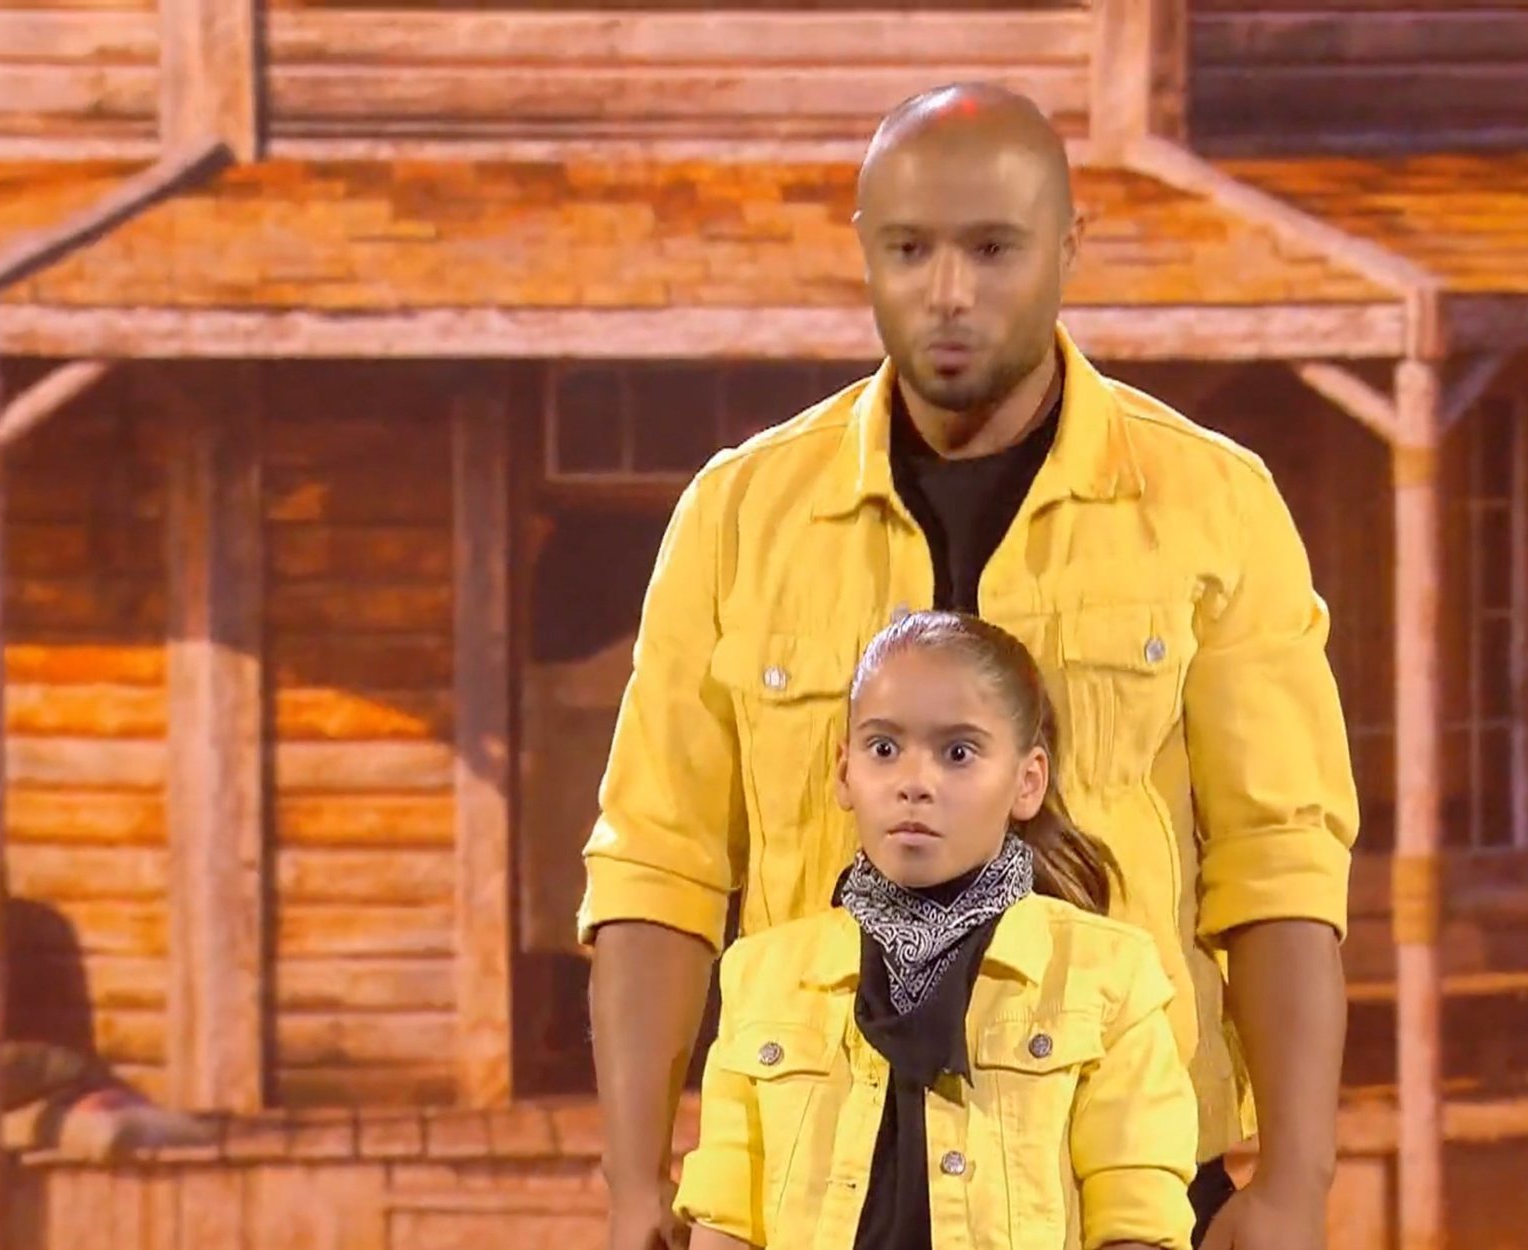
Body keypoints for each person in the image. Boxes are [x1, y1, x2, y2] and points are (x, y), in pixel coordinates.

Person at [580, 80, 1358, 1250]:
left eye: (992, 249)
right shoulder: (737, 517)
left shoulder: (1211, 503)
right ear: (864, 251)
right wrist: (633, 1182)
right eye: (910, 249)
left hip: (1125, 1193)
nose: (948, 291)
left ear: (1067, 246)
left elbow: (1279, 856)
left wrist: (1293, 1180)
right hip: (811, 1196)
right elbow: (659, 862)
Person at [674, 611, 1198, 1250]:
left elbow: (1138, 1222)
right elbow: (726, 1220)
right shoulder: (762, 977)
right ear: (844, 771)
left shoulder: (1107, 978)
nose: (914, 784)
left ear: (1027, 782)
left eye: (957, 753)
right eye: (883, 749)